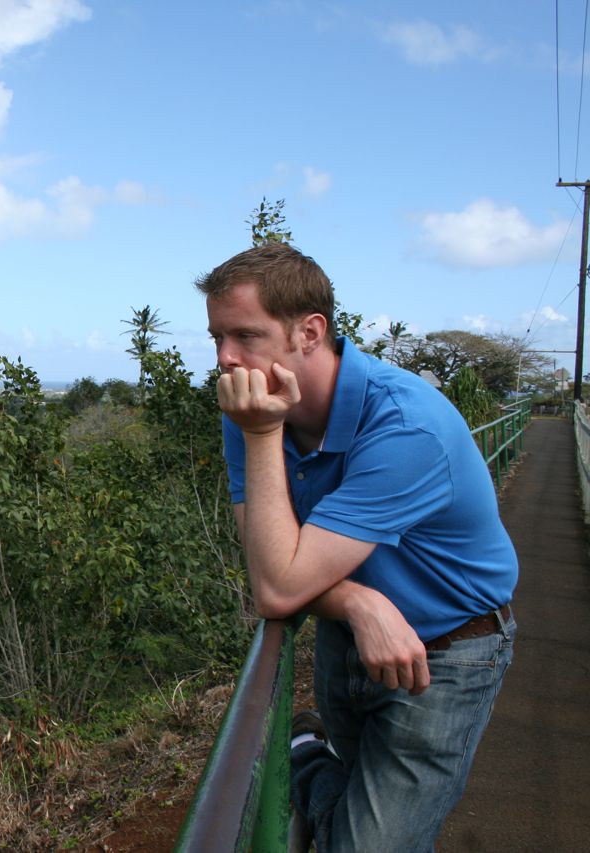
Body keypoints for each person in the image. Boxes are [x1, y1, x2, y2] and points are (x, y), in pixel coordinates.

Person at [197, 242, 518, 852]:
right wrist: (358, 605)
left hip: (449, 652)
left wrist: (262, 432)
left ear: (310, 332)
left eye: (244, 336)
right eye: (216, 337)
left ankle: (303, 756)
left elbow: (281, 584)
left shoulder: (404, 426)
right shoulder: (252, 407)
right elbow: (272, 578)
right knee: (354, 793)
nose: (225, 359)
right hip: (350, 640)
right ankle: (318, 758)